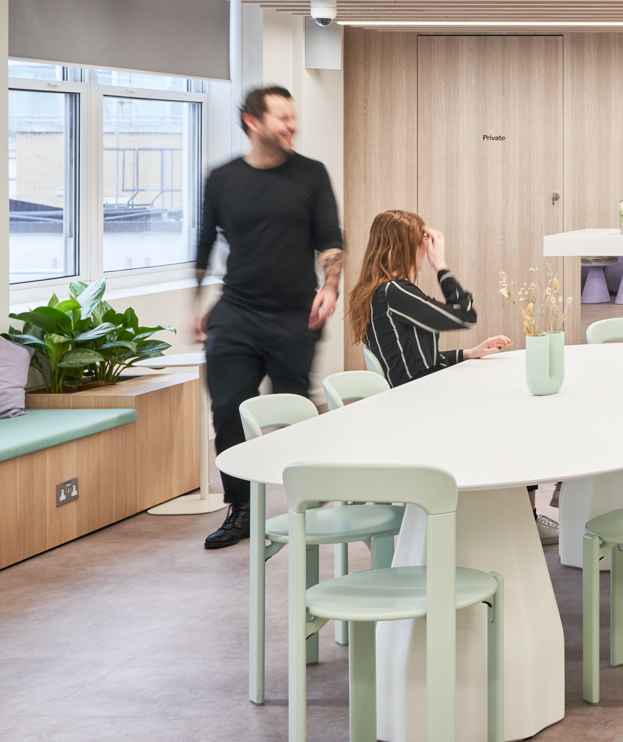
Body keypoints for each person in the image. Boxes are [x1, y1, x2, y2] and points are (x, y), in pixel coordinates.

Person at [193, 85, 344, 551]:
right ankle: (240, 509)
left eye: (293, 117)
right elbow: (204, 243)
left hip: (293, 313)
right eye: (283, 118)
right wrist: (196, 305)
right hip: (236, 310)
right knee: (227, 411)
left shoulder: (311, 175)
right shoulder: (222, 179)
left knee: (294, 408)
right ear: (253, 122)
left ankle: (304, 496)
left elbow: (330, 238)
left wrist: (331, 286)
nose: (292, 125)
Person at [345, 210, 512, 387]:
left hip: (417, 391)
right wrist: (440, 266)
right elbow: (466, 315)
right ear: (406, 247)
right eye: (423, 241)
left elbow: (422, 361)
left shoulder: (380, 292)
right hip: (420, 396)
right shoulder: (393, 292)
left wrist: (472, 352)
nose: (427, 248)